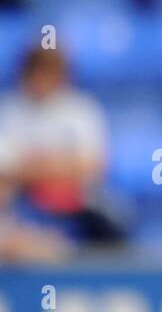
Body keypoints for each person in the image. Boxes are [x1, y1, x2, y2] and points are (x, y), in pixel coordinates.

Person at [0, 45, 114, 247]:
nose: (41, 80)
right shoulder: (8, 111)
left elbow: (92, 167)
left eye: (49, 72)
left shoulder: (81, 110)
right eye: (37, 71)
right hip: (23, 205)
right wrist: (58, 166)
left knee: (112, 224)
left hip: (78, 205)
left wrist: (36, 167)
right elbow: (6, 172)